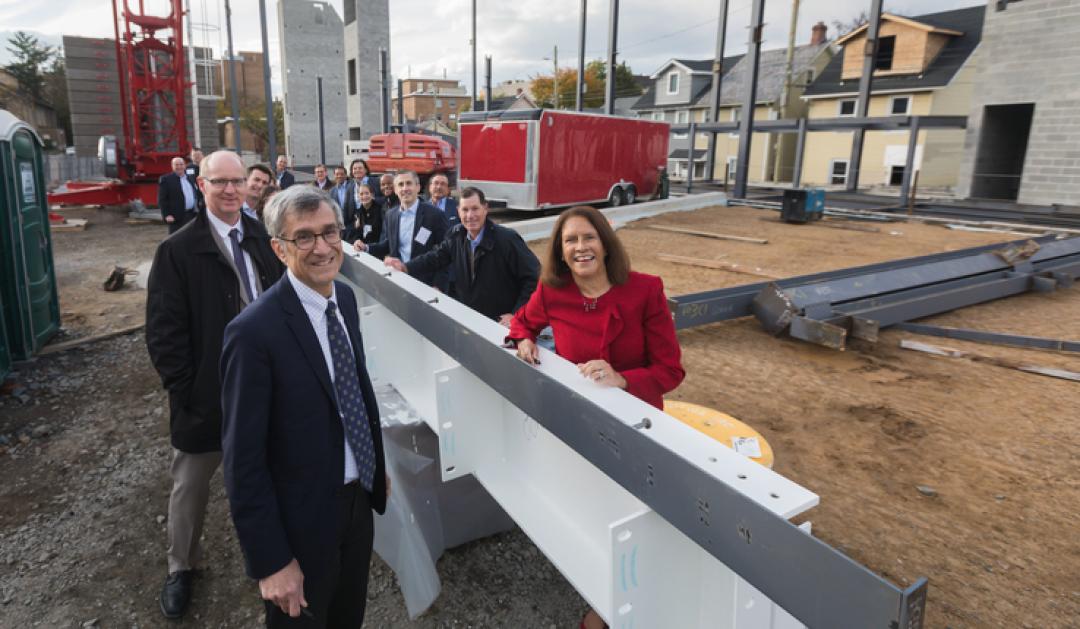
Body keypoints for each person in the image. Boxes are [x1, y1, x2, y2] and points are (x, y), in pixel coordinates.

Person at [508, 206, 684, 629]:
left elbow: (670, 370)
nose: (580, 247)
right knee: (589, 513)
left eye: (589, 238)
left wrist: (623, 379)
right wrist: (523, 340)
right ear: (561, 252)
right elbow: (522, 321)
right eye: (570, 241)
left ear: (605, 244)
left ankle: (613, 608)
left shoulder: (644, 290)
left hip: (634, 427)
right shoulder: (553, 292)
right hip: (580, 425)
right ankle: (603, 594)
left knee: (628, 520)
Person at [220, 185, 388, 628]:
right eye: (304, 237)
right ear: (279, 248)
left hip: (356, 507)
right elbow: (243, 461)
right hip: (300, 522)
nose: (322, 248)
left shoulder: (344, 299)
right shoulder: (253, 333)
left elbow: (354, 389)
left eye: (330, 232)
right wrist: (271, 561)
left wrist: (372, 462)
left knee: (347, 617)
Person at [146, 150, 284, 620]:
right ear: (201, 185)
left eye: (237, 181)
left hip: (265, 386)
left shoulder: (262, 239)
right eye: (219, 181)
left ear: (249, 186)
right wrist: (186, 390)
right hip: (208, 395)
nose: (230, 190)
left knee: (273, 474)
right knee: (191, 485)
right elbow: (164, 333)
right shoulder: (178, 250)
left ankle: (275, 554)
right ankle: (181, 566)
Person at [385, 187, 537, 325]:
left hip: (500, 324)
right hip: (471, 319)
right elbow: (436, 257)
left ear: (485, 208)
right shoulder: (456, 235)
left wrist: (517, 314)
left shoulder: (506, 239)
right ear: (458, 211)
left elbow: (534, 277)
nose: (470, 215)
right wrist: (405, 267)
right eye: (465, 210)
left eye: (475, 209)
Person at [358, 171, 449, 290]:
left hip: (426, 283)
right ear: (395, 190)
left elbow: (445, 253)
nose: (405, 188)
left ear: (418, 187)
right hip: (399, 279)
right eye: (400, 184)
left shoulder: (435, 215)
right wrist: (366, 247)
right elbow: (389, 244)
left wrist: (438, 285)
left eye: (409, 183)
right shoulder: (391, 215)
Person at [158, 156, 201, 234]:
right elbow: (162, 199)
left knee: (191, 238)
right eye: (176, 165)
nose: (179, 167)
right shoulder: (166, 179)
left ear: (185, 165)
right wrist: (167, 215)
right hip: (176, 217)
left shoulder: (190, 178)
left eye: (181, 164)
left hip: (192, 215)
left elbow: (196, 193)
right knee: (176, 241)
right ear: (172, 166)